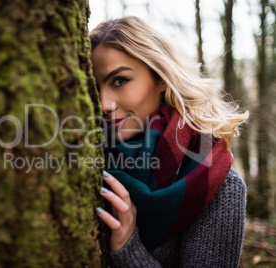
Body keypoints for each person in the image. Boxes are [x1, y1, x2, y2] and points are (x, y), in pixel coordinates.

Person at [90, 16, 249, 267]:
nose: (104, 105)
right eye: (93, 88)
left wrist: (128, 248)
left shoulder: (214, 181)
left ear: (161, 78)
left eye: (120, 81)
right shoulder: (83, 160)